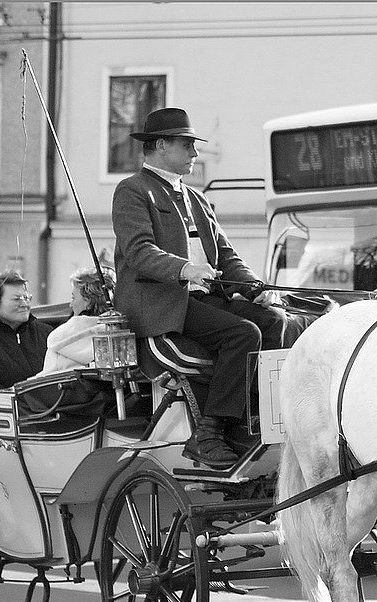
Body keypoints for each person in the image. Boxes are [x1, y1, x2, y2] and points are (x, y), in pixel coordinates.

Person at [112, 107, 284, 468]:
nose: (195, 153)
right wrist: (185, 269)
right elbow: (140, 252)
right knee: (242, 334)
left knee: (275, 321)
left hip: (204, 297)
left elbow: (225, 254)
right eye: (187, 145)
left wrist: (254, 286)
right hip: (161, 303)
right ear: (160, 145)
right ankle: (209, 432)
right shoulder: (132, 191)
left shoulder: (196, 199)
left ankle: (255, 417)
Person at [34, 266, 116, 377]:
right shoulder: (122, 337)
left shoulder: (59, 340)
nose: (70, 304)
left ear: (88, 301)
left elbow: (46, 383)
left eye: (73, 298)